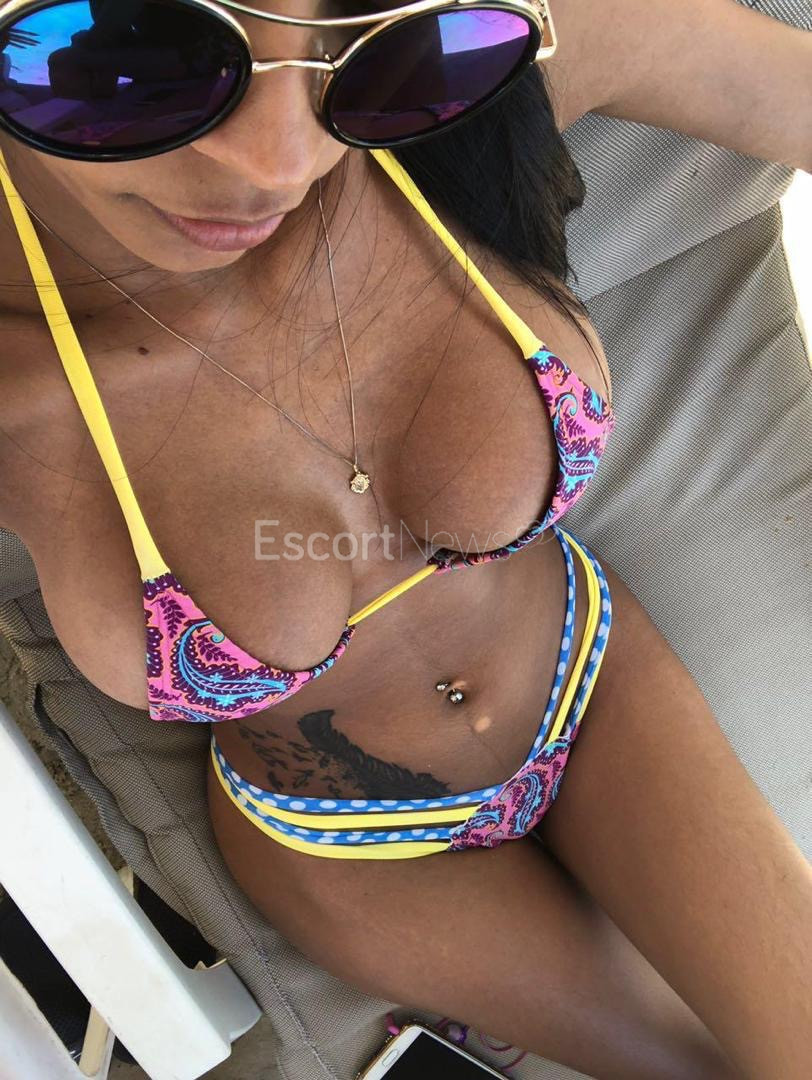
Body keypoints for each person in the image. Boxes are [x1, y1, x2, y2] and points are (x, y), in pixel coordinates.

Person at [0, 3, 809, 1078]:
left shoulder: (463, 67)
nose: (281, 162)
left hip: (591, 684)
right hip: (349, 855)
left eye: (349, 40)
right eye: (143, 57)